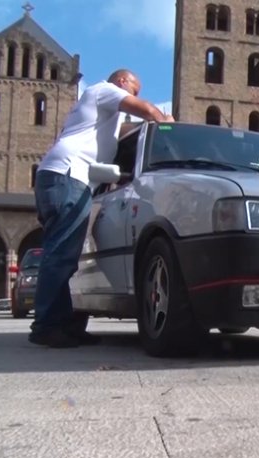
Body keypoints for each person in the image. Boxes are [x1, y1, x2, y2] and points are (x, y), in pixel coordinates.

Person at [29, 69, 174, 348]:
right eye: (134, 89)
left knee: (65, 256)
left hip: (61, 178)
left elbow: (128, 131)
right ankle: (45, 327)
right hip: (67, 178)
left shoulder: (102, 117)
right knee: (60, 256)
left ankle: (66, 325)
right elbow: (145, 110)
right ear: (121, 82)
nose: (135, 95)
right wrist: (165, 122)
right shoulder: (103, 90)